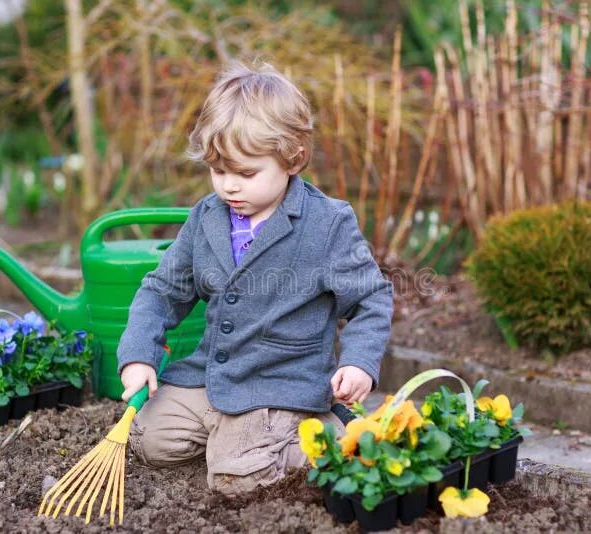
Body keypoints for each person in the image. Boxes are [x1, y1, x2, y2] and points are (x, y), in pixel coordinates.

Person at [116, 60, 394, 496]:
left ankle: (321, 435)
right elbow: (162, 290)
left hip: (280, 383)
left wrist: (359, 361)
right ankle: (238, 439)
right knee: (148, 439)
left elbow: (371, 300)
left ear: (292, 159)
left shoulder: (327, 224)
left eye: (246, 173)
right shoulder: (207, 217)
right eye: (218, 170)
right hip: (211, 377)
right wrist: (138, 354)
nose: (229, 187)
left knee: (235, 480)